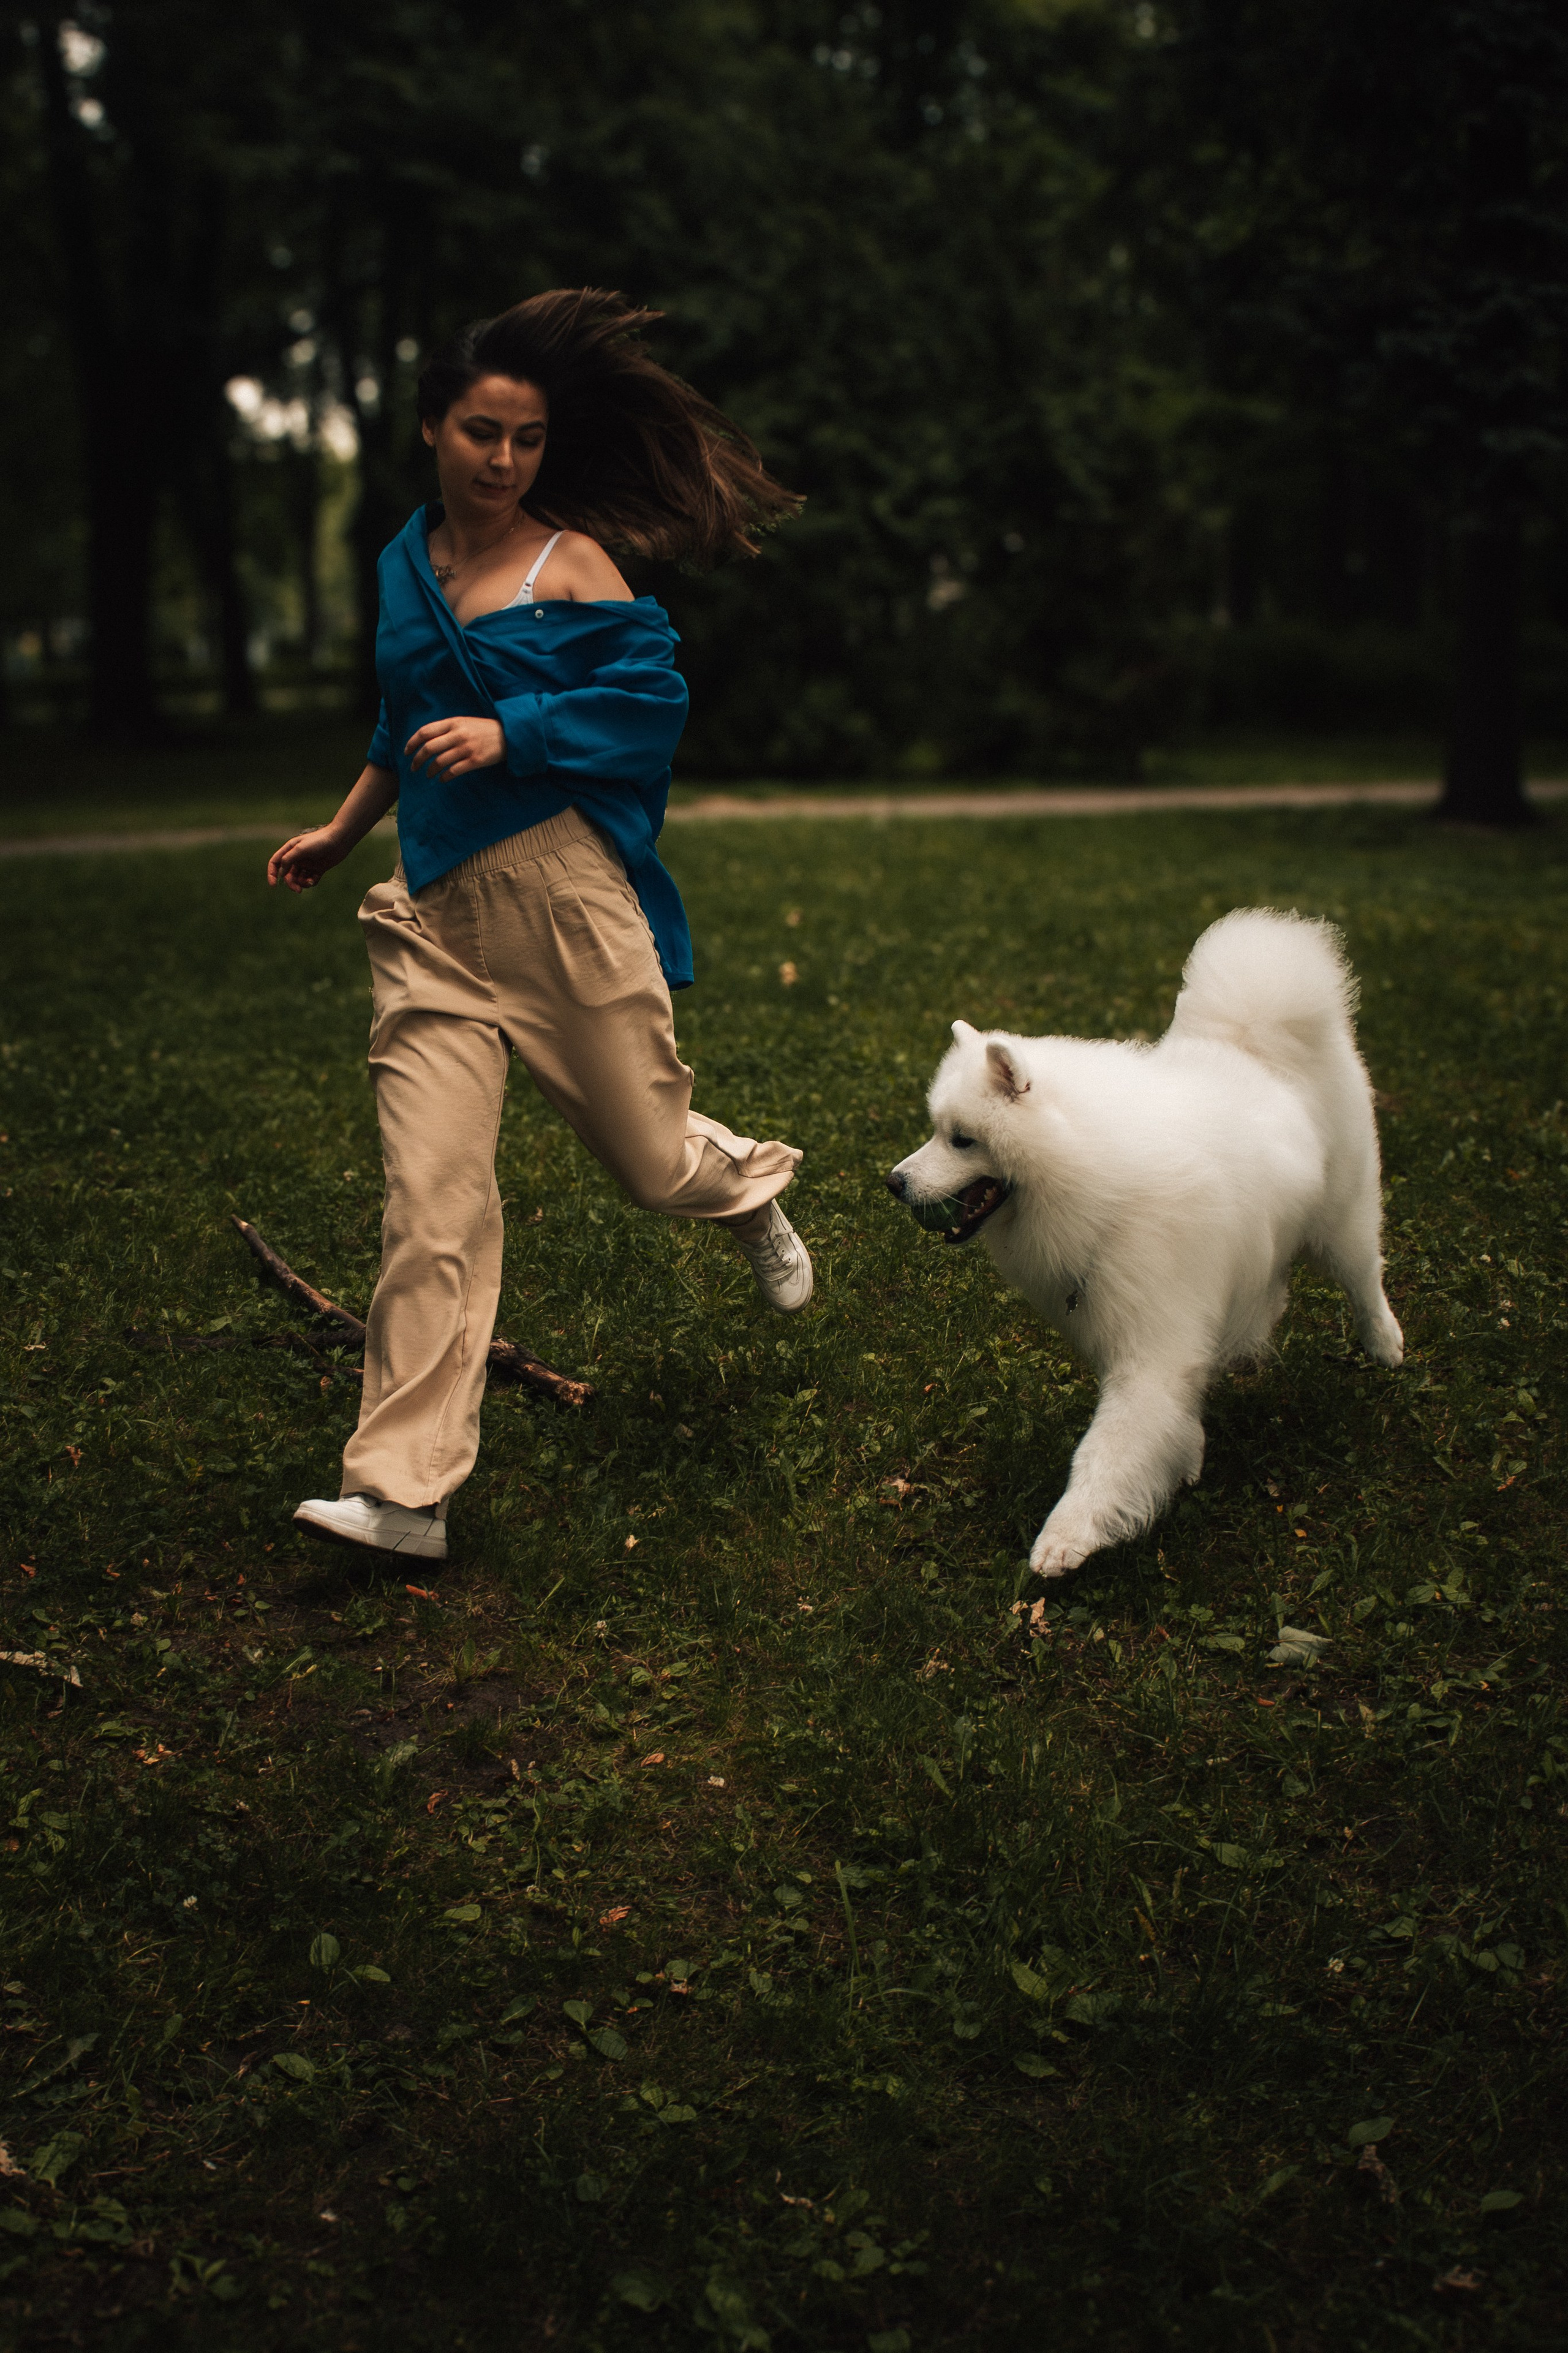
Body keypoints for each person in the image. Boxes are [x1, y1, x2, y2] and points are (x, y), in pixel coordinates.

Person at [267, 289, 810, 1564]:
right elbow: (403, 716)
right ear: (429, 432)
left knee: (649, 1162)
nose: (503, 461)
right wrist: (345, 829)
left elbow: (652, 702)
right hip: (429, 915)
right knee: (430, 1196)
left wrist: (518, 733)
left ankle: (742, 1190)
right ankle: (404, 1492)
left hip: (560, 905)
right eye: (479, 433)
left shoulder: (567, 562)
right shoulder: (406, 562)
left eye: (524, 440)